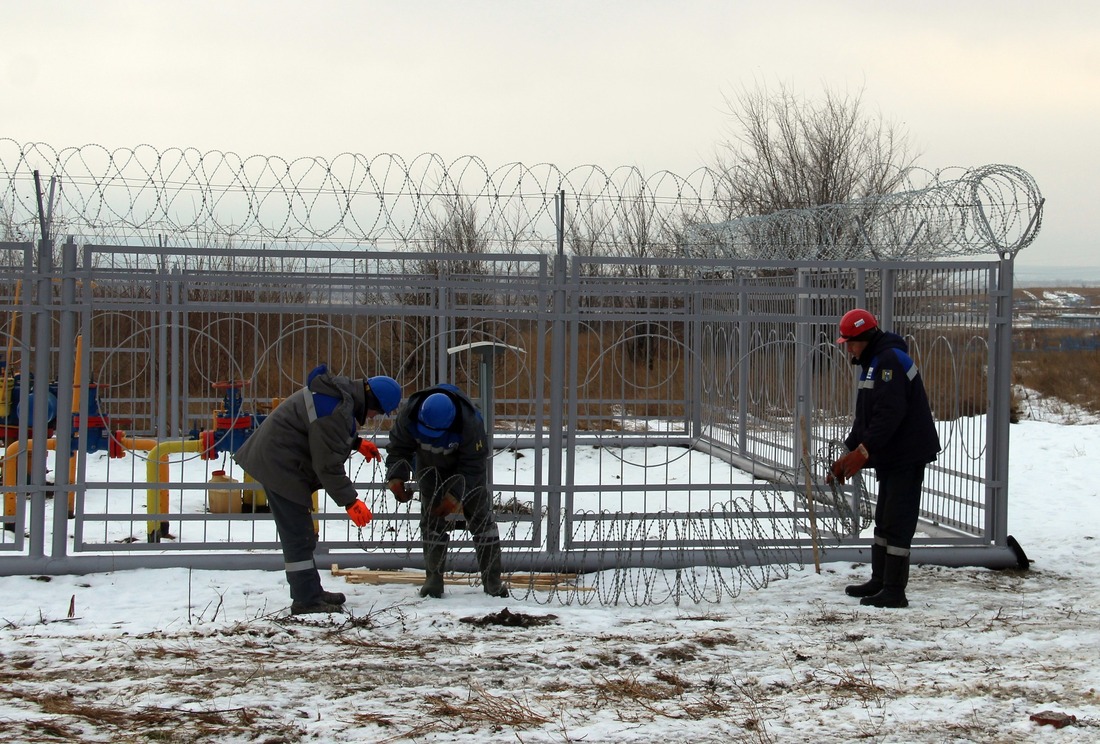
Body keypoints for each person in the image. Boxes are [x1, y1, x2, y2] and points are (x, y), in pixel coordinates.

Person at [234, 364, 402, 615]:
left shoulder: (340, 395)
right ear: (370, 400)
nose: (374, 417)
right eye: (377, 412)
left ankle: (311, 591)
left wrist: (355, 443)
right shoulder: (337, 409)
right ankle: (305, 600)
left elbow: (321, 434)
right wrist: (350, 502)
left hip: (283, 461)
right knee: (298, 536)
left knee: (301, 534)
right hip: (279, 465)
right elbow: (327, 465)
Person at [828, 309, 941, 609]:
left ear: (865, 338)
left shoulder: (888, 361)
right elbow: (866, 417)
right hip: (892, 453)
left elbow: (889, 415)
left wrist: (862, 453)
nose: (848, 348)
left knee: (898, 520)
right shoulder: (873, 362)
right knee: (884, 519)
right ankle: (880, 580)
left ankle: (894, 590)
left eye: (850, 342)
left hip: (907, 452)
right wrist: (848, 451)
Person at [384, 383, 509, 599]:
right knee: (432, 520)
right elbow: (398, 449)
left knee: (480, 518)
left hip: (466, 470)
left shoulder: (470, 424)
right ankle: (433, 580)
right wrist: (396, 477)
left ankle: (493, 582)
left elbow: (473, 466)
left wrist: (456, 496)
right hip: (429, 467)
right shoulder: (410, 414)